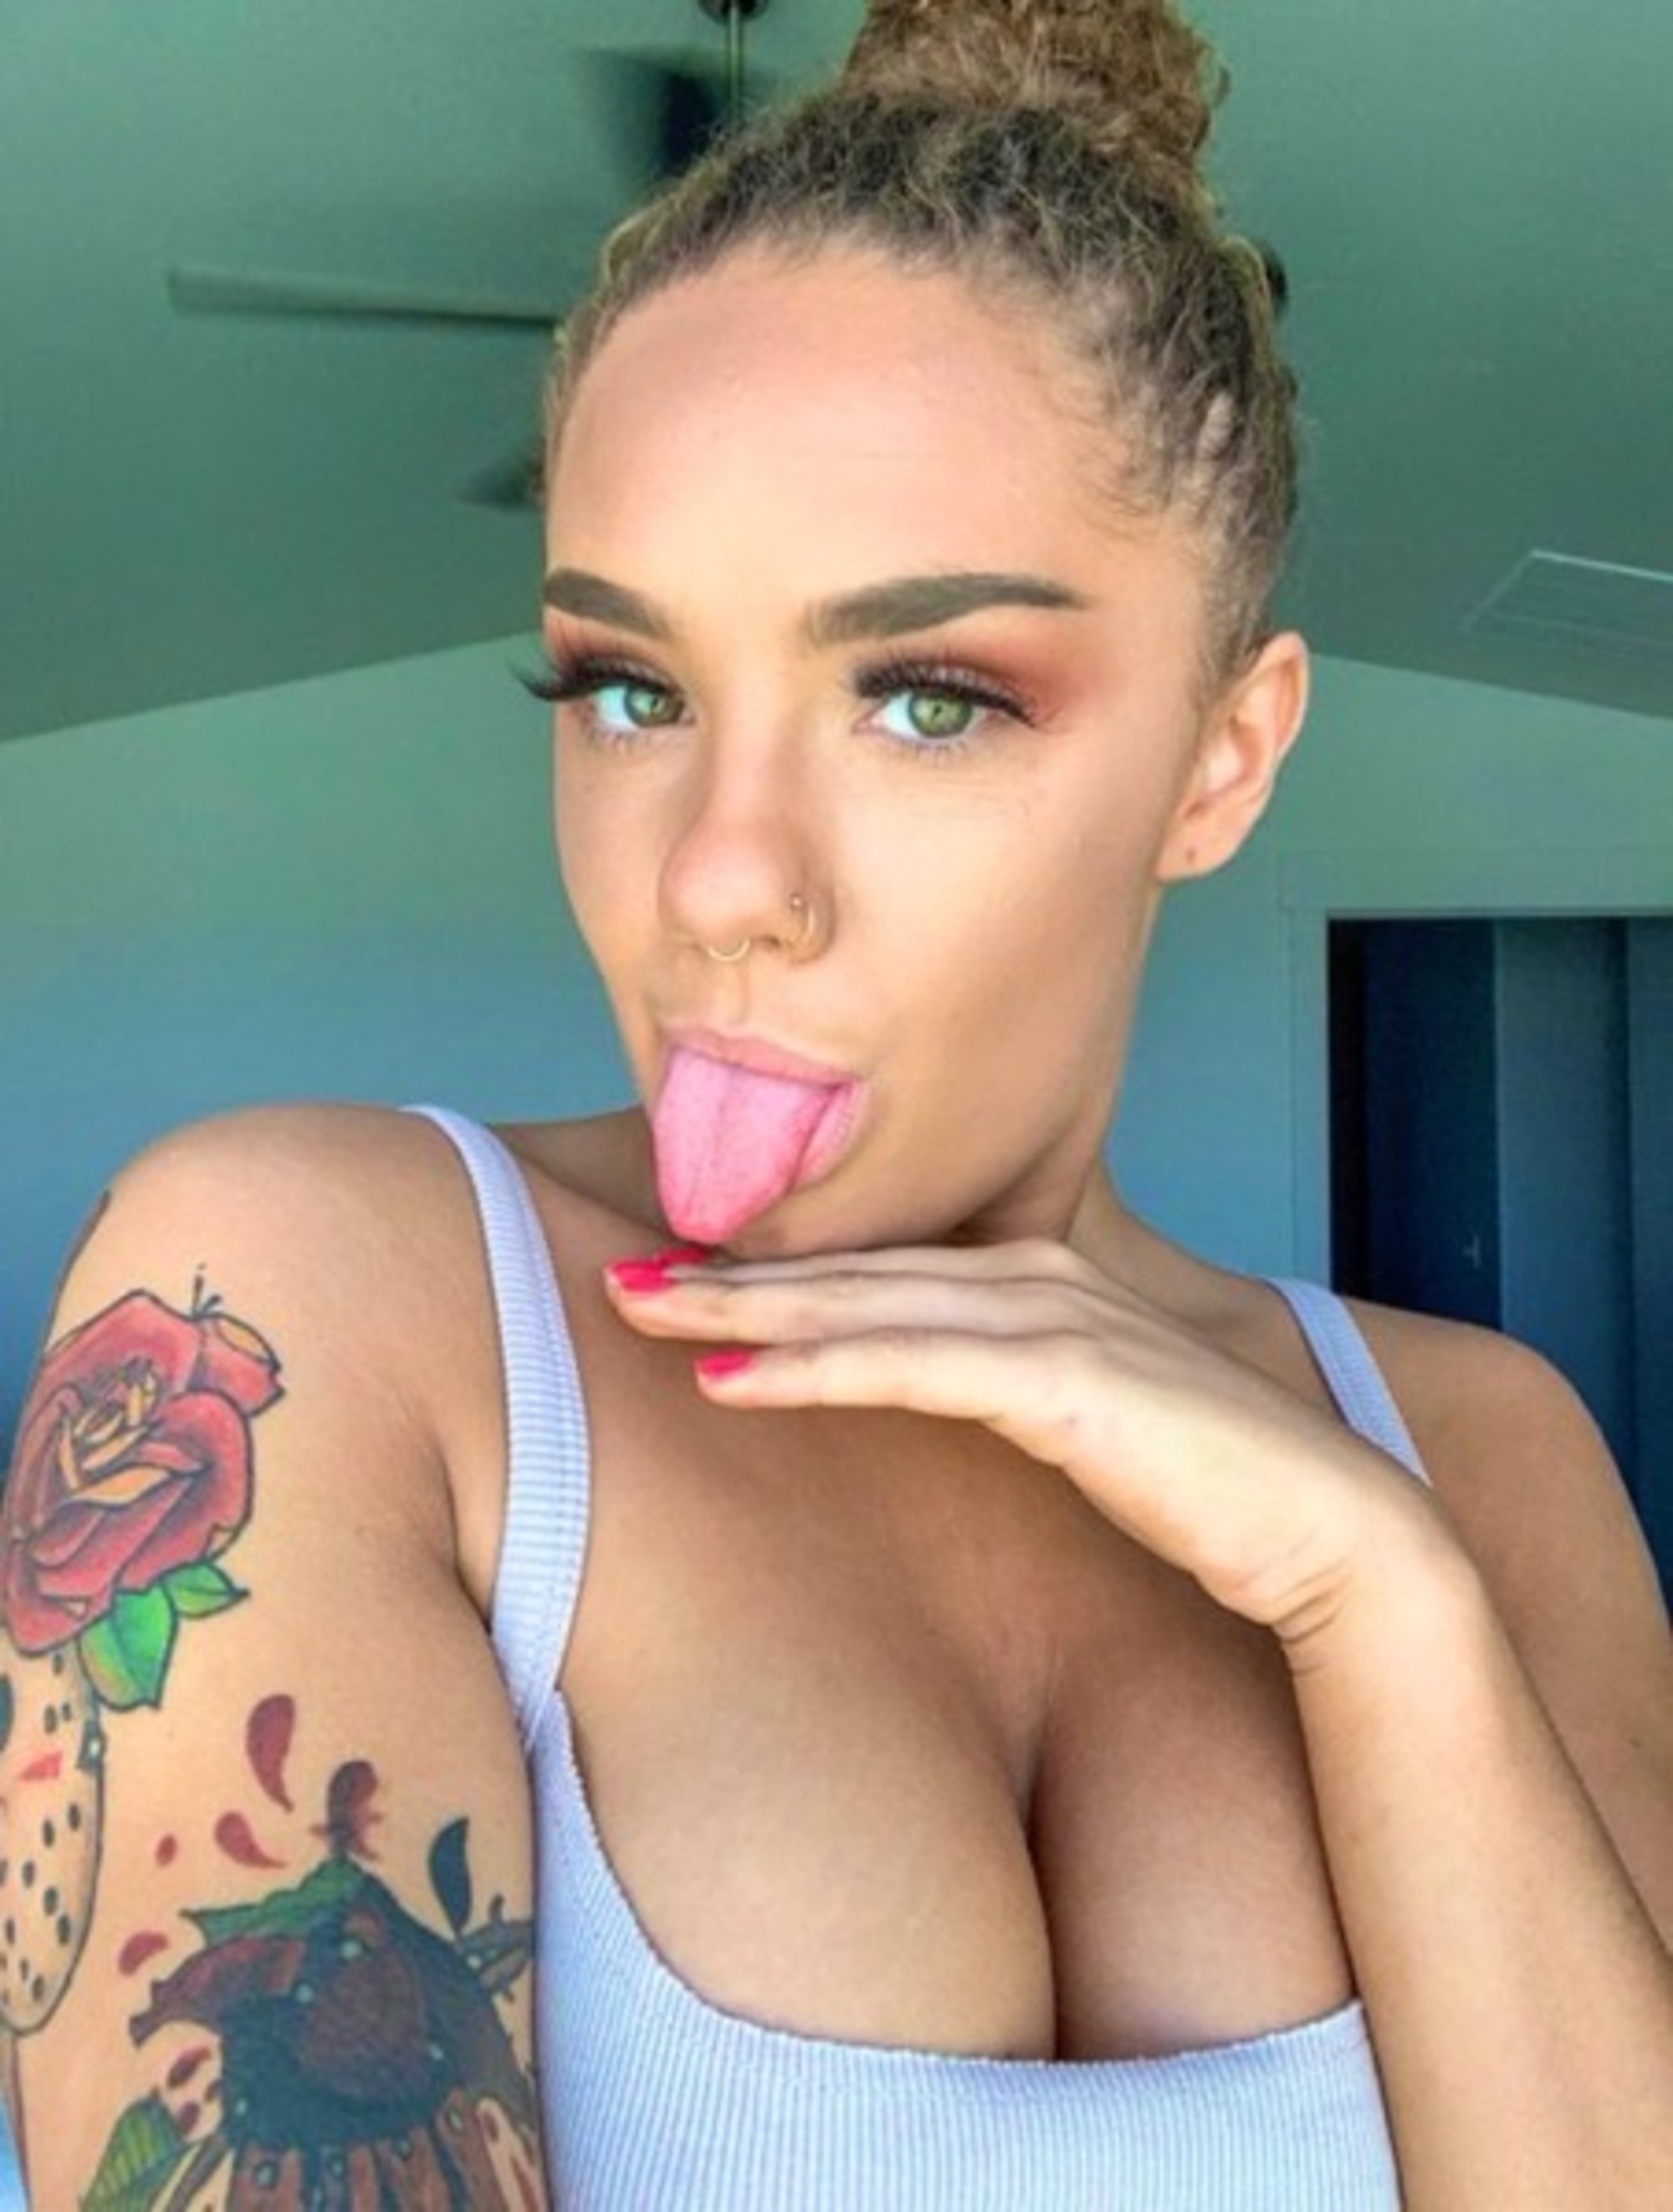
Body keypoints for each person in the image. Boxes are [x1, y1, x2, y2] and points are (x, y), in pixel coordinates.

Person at [4, 0, 1670, 2203]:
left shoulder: (1481, 1457)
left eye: (928, 699)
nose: (716, 879)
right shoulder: (311, 1306)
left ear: (1221, 761)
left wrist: (1385, 1605)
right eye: (627, 688)